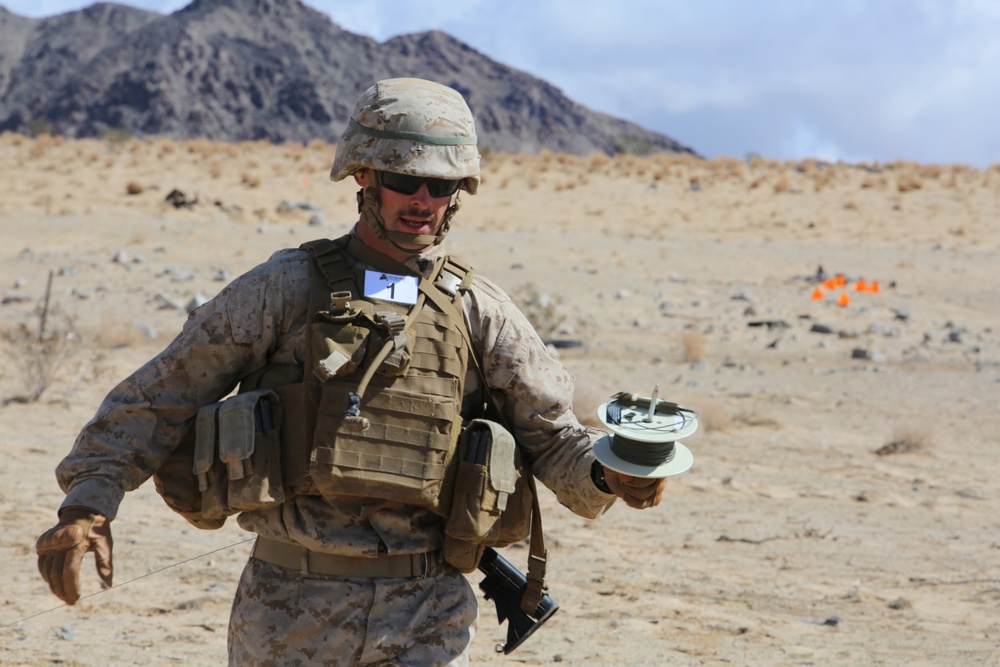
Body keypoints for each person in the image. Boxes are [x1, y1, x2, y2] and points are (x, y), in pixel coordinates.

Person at [35, 77, 667, 666]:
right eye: (403, 177)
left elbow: (553, 436)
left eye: (440, 185)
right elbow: (160, 396)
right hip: (288, 611)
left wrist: (612, 474)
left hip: (430, 614)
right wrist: (87, 505)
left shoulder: (481, 311)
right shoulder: (285, 288)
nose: (423, 200)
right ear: (363, 175)